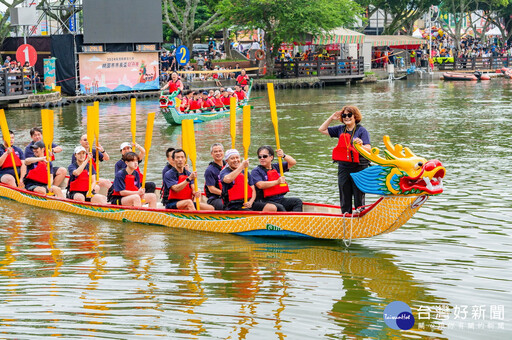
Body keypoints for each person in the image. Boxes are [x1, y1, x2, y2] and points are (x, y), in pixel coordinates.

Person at [319, 105, 371, 214]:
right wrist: (331, 117)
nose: (346, 117)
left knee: (358, 193)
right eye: (344, 115)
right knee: (344, 192)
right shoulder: (340, 129)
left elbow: (369, 149)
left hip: (359, 167)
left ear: (355, 116)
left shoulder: (362, 131)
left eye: (349, 115)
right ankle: (346, 215)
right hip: (344, 166)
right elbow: (321, 129)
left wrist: (361, 145)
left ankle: (360, 213)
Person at [251, 146, 302, 212]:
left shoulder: (277, 167)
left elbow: (293, 162)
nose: (262, 158)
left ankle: (296, 219)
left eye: (265, 156)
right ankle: (286, 221)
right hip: (265, 200)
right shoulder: (256, 171)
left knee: (297, 201)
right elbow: (260, 185)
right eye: (260, 157)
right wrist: (277, 182)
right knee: (280, 208)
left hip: (278, 199)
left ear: (271, 157)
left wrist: (283, 155)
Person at [204, 143, 225, 210]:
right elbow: (211, 189)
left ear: (223, 152)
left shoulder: (228, 165)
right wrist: (226, 194)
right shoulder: (209, 170)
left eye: (220, 151)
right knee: (224, 205)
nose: (218, 153)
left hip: (228, 195)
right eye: (215, 152)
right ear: (212, 154)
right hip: (215, 198)